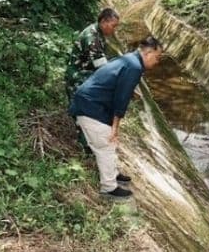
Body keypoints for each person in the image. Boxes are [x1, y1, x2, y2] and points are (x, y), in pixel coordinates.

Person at [69, 36, 164, 198]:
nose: (157, 62)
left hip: (89, 102)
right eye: (157, 57)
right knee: (106, 145)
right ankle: (108, 188)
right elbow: (121, 100)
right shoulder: (134, 67)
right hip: (90, 106)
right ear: (148, 53)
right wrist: (115, 127)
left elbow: (115, 79)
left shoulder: (130, 59)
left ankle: (112, 174)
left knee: (107, 144)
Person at [64, 8, 120, 102]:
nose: (114, 30)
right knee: (81, 110)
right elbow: (102, 67)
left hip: (85, 75)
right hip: (78, 78)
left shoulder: (98, 32)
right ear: (103, 21)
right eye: (113, 26)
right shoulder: (92, 38)